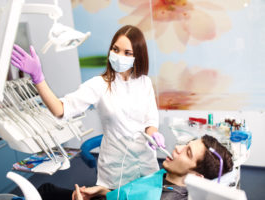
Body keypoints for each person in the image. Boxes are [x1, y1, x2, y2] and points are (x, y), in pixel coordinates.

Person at [11, 25, 165, 189]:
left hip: (146, 166)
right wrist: (38, 78)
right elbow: (60, 109)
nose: (119, 56)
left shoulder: (145, 83)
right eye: (115, 49)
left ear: (138, 56)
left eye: (127, 53)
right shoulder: (99, 85)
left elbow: (150, 120)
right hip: (115, 171)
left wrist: (153, 133)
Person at [69, 134, 234, 200]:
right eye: (185, 144)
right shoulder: (167, 177)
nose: (177, 148)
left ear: (197, 177)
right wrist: (103, 191)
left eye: (187, 152)